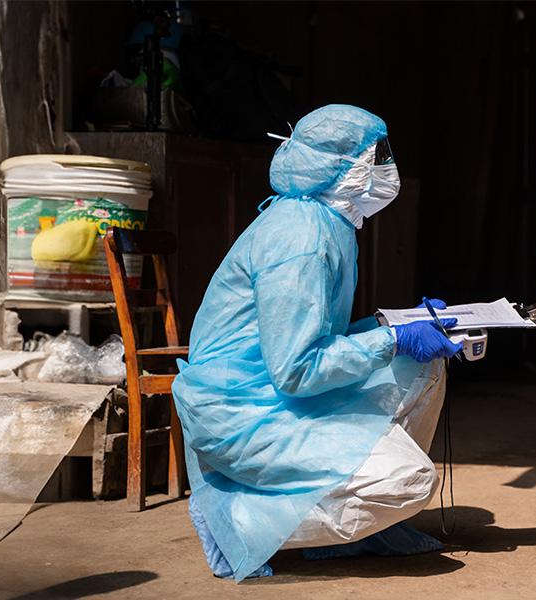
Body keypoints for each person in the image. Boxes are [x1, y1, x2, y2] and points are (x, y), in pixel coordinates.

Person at [172, 104, 464, 581]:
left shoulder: (330, 222)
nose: (387, 169)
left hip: (275, 393)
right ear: (339, 167)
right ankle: (236, 518)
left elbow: (313, 337)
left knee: (425, 364)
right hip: (246, 412)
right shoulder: (301, 238)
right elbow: (298, 369)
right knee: (409, 482)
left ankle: (363, 530)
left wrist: (398, 325)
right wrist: (391, 339)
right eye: (376, 156)